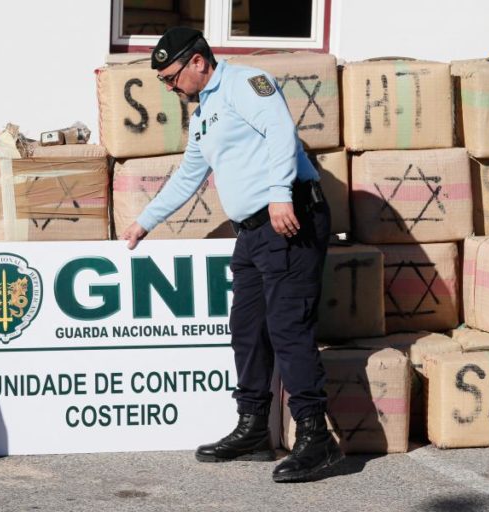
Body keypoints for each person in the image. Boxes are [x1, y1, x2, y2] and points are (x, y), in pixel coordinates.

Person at [120, 27, 343, 483]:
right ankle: (254, 428)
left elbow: (282, 130)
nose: (169, 87)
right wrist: (146, 221)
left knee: (287, 327)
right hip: (253, 234)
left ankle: (316, 438)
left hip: (289, 218)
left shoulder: (246, 83)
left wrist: (280, 193)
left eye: (171, 77)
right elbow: (188, 175)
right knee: (247, 329)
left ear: (198, 61)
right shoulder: (204, 115)